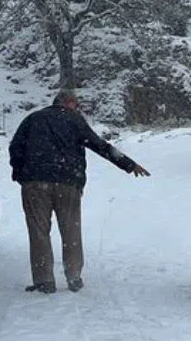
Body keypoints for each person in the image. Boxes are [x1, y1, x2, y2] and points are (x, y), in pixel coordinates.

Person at [8, 90, 150, 293]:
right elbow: (100, 145)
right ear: (68, 103)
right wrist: (129, 164)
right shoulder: (74, 121)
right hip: (68, 182)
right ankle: (74, 277)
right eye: (77, 104)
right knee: (71, 229)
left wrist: (21, 174)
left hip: (36, 183)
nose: (79, 107)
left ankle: (44, 280)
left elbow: (15, 148)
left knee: (39, 231)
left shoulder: (33, 119)